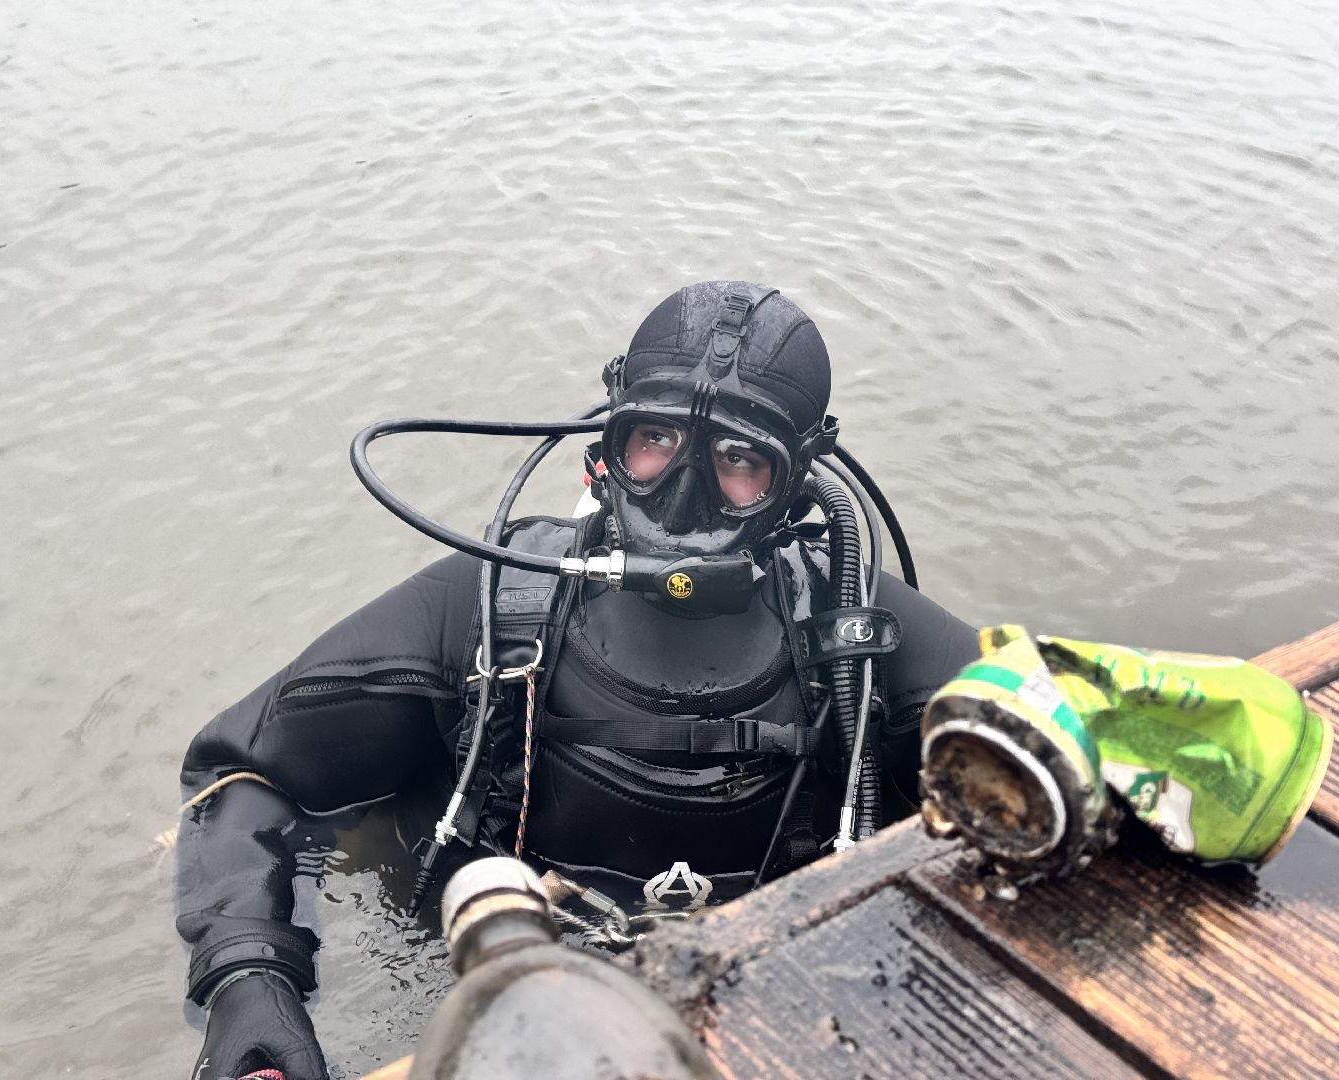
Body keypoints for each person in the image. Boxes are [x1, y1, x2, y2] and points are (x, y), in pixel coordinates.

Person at [175, 281, 980, 1080]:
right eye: (654, 440)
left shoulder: (859, 637)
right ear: (609, 436)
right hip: (488, 1001)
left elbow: (1071, 735)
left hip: (761, 1024)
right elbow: (241, 769)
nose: (683, 497)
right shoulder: (494, 605)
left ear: (800, 474)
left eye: (741, 460)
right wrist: (248, 978)